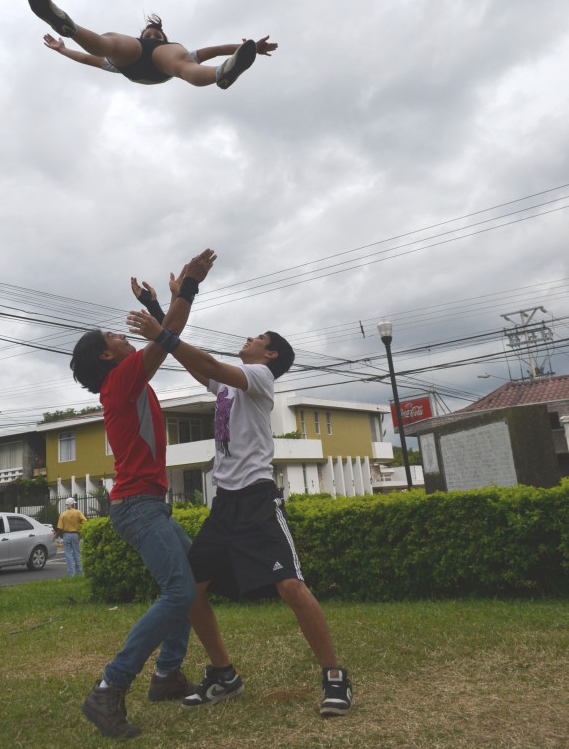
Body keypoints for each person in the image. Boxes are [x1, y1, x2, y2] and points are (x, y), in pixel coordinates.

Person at [126, 312, 354, 719]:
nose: (249, 338)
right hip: (225, 505)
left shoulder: (261, 378)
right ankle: (224, 674)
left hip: (257, 501)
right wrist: (162, 312)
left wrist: (161, 334)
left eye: (258, 337)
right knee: (189, 592)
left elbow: (211, 365)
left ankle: (335, 675)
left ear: (270, 354)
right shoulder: (231, 388)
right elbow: (200, 368)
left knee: (291, 587)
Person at [71, 247, 216, 740]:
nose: (122, 333)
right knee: (179, 590)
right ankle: (109, 688)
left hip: (146, 504)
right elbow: (165, 339)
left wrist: (162, 306)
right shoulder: (119, 381)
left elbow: (168, 341)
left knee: (192, 581)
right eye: (114, 335)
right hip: (136, 507)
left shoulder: (126, 379)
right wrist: (188, 288)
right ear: (108, 356)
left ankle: (167, 674)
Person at [27, 0, 277, 90]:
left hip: (162, 66)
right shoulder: (136, 45)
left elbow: (218, 48)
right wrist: (63, 49)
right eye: (148, 35)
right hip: (131, 60)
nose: (153, 36)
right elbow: (86, 57)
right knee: (111, 42)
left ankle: (220, 74)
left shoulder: (170, 49)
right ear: (142, 36)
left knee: (182, 62)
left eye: (157, 35)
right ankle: (70, 27)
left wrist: (249, 48)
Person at [56, 497, 88, 577]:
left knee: (68, 554)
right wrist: (80, 528)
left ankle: (71, 574)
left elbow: (60, 528)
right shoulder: (78, 512)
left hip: (66, 535)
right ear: (73, 504)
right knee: (77, 553)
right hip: (75, 534)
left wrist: (55, 535)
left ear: (66, 505)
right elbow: (85, 521)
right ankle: (80, 572)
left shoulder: (63, 514)